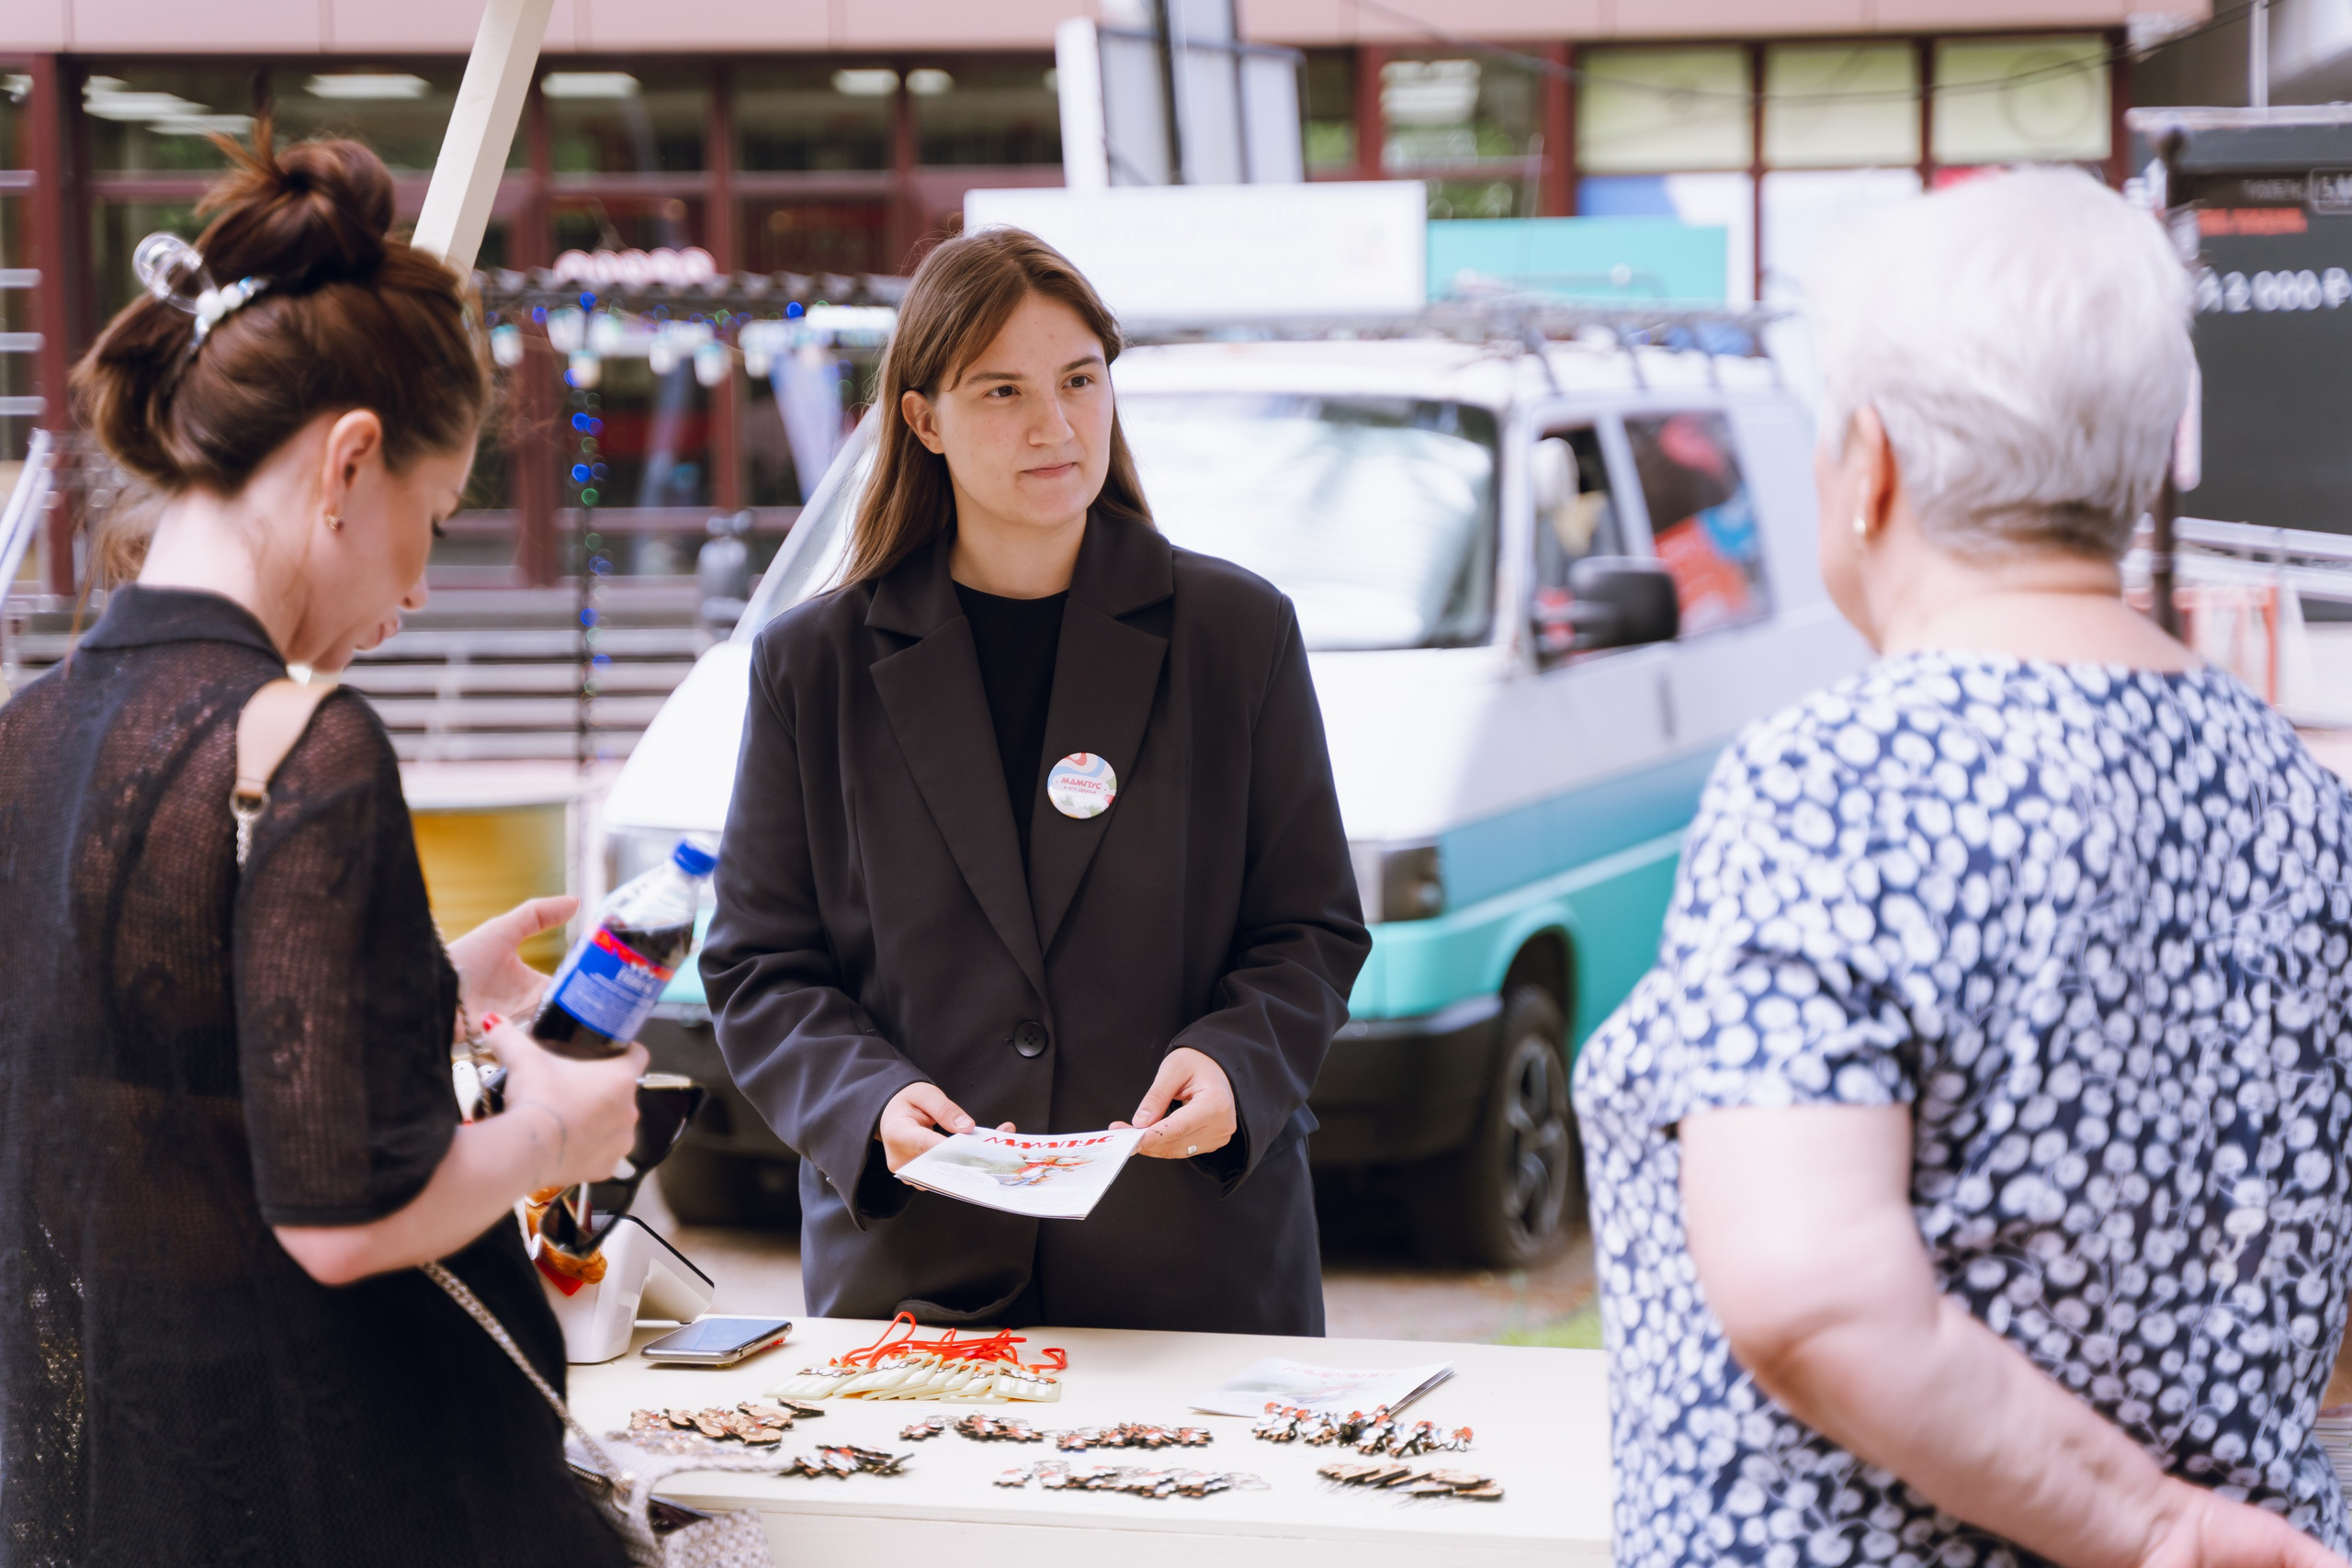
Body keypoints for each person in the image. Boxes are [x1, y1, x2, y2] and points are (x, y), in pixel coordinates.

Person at [1573, 167, 2352, 1568]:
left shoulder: (1837, 782)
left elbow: (1812, 1290)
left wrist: (2149, 1521)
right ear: (2143, 467)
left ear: (1868, 465)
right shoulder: (2300, 795)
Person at [0, 131, 643, 1564]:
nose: (417, 585)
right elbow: (348, 1215)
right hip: (342, 1477)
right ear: (352, 460)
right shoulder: (303, 738)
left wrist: (411, 989)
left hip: (118, 1485)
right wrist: (562, 1125)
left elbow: (135, 1066)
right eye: (434, 519)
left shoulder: (29, 731)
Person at [700, 227, 1370, 1333]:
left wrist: (1233, 1063)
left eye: (1079, 380)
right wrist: (867, 1102)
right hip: (917, 1276)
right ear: (923, 420)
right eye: (1001, 390)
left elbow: (1310, 928)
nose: (1054, 425)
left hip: (1192, 1267)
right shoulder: (813, 663)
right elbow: (760, 966)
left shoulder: (1235, 633)